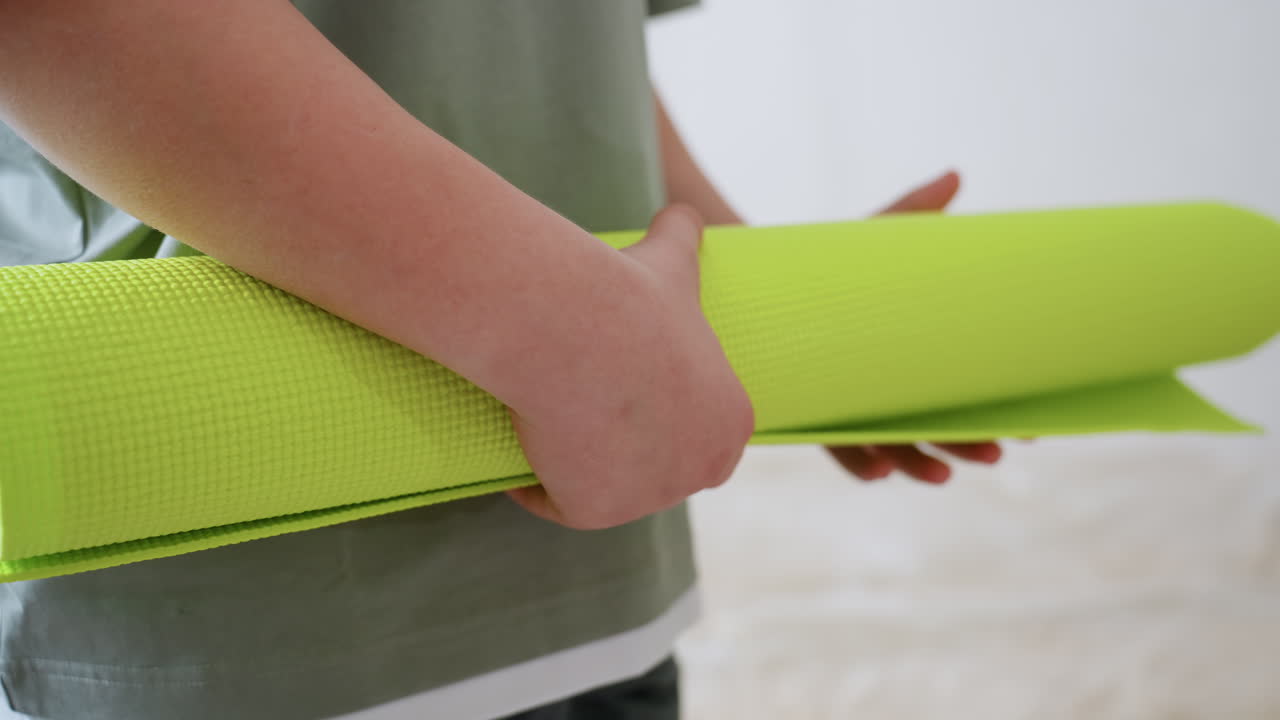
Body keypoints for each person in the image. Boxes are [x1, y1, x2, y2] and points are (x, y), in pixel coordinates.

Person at [0, 2, 1003, 718]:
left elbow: (568, 47)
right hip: (239, 624)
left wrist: (749, 318)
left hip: (598, 603)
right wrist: (575, 334)